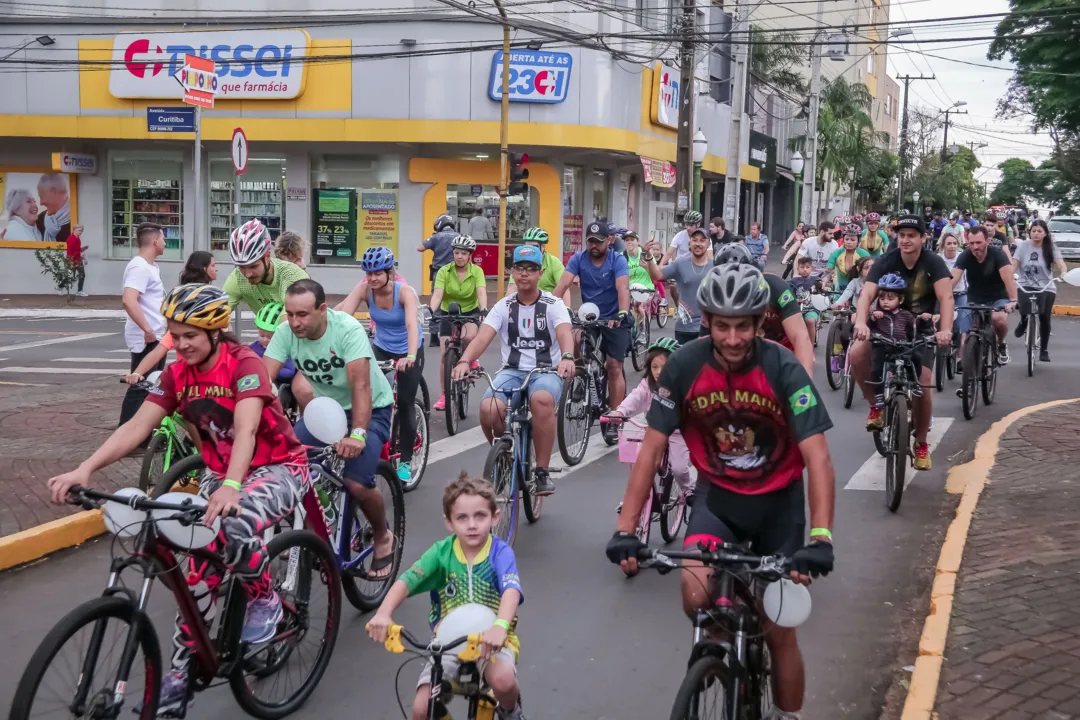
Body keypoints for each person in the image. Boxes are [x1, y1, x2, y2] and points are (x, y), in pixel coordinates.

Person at [49, 283, 309, 714]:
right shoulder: (176, 374)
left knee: (237, 523)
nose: (181, 343)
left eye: (190, 335)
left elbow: (245, 430)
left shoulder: (244, 364)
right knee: (194, 580)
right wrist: (85, 469)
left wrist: (232, 485)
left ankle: (264, 598)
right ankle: (180, 674)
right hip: (220, 474)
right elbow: (136, 428)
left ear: (214, 332)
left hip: (277, 467)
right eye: (175, 334)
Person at [605, 262, 836, 720]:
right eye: (723, 326)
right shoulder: (685, 366)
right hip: (719, 500)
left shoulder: (784, 367)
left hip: (778, 506)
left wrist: (821, 538)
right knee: (695, 596)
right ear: (706, 321)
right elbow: (651, 451)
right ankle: (719, 656)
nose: (733, 339)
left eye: (744, 327)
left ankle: (788, 714)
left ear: (760, 322)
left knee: (778, 626)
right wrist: (626, 529)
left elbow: (818, 458)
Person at [262, 279, 398, 576]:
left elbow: (361, 386)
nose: (295, 322)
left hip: (370, 409)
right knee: (290, 466)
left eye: (303, 315)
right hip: (326, 412)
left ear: (322, 309)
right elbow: (262, 380)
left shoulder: (346, 330)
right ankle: (321, 526)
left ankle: (382, 535)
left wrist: (358, 434)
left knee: (357, 482)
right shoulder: (286, 332)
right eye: (290, 314)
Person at [367, 474, 525, 720]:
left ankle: (510, 711)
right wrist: (383, 614)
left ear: (495, 517)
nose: (471, 525)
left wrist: (500, 627)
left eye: (480, 516)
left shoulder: (499, 553)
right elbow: (406, 582)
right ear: (449, 523)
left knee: (504, 683)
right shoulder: (441, 554)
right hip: (447, 644)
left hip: (491, 641)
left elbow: (511, 592)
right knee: (421, 709)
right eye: (462, 518)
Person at [454, 245, 575, 497]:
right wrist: (465, 361)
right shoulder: (504, 306)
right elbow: (482, 338)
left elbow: (564, 332)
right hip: (512, 370)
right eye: (520, 268)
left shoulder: (553, 304)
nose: (524, 274)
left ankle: (541, 471)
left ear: (540, 273)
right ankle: (504, 455)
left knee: (541, 400)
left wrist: (566, 357)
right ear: (512, 271)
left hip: (546, 371)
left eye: (531, 269)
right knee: (488, 409)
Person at [853, 215, 953, 472]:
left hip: (919, 330)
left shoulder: (934, 262)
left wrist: (945, 330)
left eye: (912, 235)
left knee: (924, 385)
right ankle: (875, 405)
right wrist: (862, 323)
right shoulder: (886, 260)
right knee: (856, 354)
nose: (906, 240)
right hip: (885, 325)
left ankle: (920, 443)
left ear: (923, 238)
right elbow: (867, 294)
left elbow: (946, 297)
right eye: (902, 235)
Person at [336, 247, 425, 483]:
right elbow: (344, 317)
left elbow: (412, 327)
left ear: (390, 271)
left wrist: (411, 357)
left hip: (409, 349)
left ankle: (405, 461)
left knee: (405, 403)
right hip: (381, 346)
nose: (372, 278)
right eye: (369, 273)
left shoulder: (404, 292)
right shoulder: (365, 288)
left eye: (377, 273)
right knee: (364, 390)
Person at [552, 220, 632, 412]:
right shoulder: (578, 259)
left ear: (609, 240)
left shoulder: (618, 260)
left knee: (614, 367)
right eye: (590, 241)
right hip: (589, 317)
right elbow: (562, 286)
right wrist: (552, 306)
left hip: (615, 318)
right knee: (575, 338)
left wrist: (622, 312)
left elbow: (623, 288)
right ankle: (580, 375)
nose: (594, 246)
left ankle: (615, 416)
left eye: (598, 241)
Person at [606, 337, 692, 506]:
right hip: (653, 432)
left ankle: (688, 490)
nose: (659, 371)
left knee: (679, 469)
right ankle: (635, 496)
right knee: (640, 464)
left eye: (664, 366)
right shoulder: (648, 385)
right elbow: (634, 398)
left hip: (677, 433)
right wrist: (619, 411)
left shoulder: (684, 385)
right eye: (654, 367)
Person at [715, 243, 816, 375]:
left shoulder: (776, 287)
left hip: (783, 345)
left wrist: (805, 382)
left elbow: (800, 336)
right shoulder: (713, 293)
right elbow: (706, 344)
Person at [430, 234, 488, 411]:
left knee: (471, 336)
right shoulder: (444, 271)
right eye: (456, 253)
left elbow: (481, 292)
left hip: (470, 312)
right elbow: (438, 294)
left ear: (469, 255)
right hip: (448, 313)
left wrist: (483, 309)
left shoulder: (476, 271)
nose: (459, 256)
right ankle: (444, 395)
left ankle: (470, 359)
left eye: (463, 253)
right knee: (444, 355)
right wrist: (432, 310)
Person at [118, 222, 167, 430]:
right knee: (139, 385)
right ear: (155, 241)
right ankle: (126, 434)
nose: (165, 242)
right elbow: (129, 300)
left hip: (155, 336)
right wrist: (147, 329)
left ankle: (142, 432)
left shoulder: (150, 266)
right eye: (164, 238)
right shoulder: (139, 266)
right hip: (147, 338)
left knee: (150, 385)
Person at [950, 225, 1018, 365]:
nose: (975, 247)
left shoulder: (998, 255)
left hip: (998, 297)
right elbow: (953, 278)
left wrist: (1013, 300)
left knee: (999, 319)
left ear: (987, 241)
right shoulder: (965, 256)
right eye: (972, 243)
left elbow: (1008, 278)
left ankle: (1001, 344)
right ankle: (968, 373)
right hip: (975, 298)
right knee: (966, 332)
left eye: (979, 242)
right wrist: (942, 296)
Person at [223, 219, 310, 314]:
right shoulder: (238, 277)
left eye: (253, 266)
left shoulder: (291, 274)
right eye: (242, 267)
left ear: (267, 256)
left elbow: (290, 320)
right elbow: (217, 312)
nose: (247, 274)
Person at [644, 227, 711, 345]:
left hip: (708, 328)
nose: (698, 244)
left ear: (708, 244)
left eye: (702, 240)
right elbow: (657, 276)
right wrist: (649, 256)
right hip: (685, 327)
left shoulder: (716, 266)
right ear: (690, 243)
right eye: (695, 240)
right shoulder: (680, 264)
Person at [1012, 218, 1065, 362]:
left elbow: (1061, 265)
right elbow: (1014, 264)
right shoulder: (1023, 246)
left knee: (1044, 317)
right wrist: (1010, 274)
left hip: (1046, 286)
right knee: (1023, 307)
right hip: (1025, 283)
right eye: (1033, 231)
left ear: (1045, 233)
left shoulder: (1051, 247)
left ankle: (1044, 350)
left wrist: (1063, 273)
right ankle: (1023, 321)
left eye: (1039, 231)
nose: (1035, 234)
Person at [866, 273, 921, 409]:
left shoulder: (905, 314)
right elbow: (868, 326)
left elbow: (914, 326)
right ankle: (878, 394)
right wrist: (873, 317)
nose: (885, 302)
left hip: (902, 345)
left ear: (901, 300)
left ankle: (915, 383)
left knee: (916, 358)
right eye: (882, 298)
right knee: (876, 365)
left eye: (890, 299)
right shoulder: (879, 314)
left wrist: (923, 319)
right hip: (882, 344)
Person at [507, 226, 569, 302]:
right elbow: (512, 288)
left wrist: (567, 310)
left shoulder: (554, 262)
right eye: (528, 246)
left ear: (543, 247)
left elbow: (564, 288)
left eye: (534, 247)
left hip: (548, 305)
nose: (531, 250)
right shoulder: (520, 262)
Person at [660, 210, 707, 310]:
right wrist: (660, 266)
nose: (688, 228)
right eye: (686, 224)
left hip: (696, 266)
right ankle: (679, 308)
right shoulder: (680, 235)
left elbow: (709, 256)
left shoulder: (704, 237)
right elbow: (669, 253)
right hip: (680, 266)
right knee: (673, 288)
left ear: (698, 224)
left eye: (691, 225)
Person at [939, 234, 970, 366]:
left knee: (962, 326)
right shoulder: (938, 259)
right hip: (942, 295)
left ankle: (959, 357)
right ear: (943, 245)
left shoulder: (962, 257)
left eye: (954, 243)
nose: (952, 246)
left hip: (961, 294)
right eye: (949, 243)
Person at [249, 302, 297, 383]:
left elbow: (289, 372)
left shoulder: (285, 350)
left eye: (270, 337)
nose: (265, 340)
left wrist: (263, 368)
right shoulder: (254, 347)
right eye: (261, 335)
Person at [789, 257, 823, 346]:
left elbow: (821, 293)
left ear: (812, 268)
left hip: (811, 308)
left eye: (807, 267)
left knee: (810, 321)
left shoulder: (816, 280)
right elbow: (790, 295)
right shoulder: (793, 282)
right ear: (798, 269)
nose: (805, 270)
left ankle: (810, 347)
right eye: (802, 267)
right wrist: (796, 300)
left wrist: (822, 287)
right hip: (797, 309)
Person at [827, 224, 870, 290]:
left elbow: (870, 273)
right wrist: (825, 279)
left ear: (858, 241)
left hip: (859, 291)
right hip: (839, 291)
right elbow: (828, 271)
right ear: (843, 240)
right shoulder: (836, 253)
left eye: (852, 240)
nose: (848, 242)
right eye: (846, 239)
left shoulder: (864, 254)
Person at [36, 173, 72, 243]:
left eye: (41, 197)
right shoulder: (40, 220)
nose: (41, 203)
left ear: (53, 192)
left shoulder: (79, 217)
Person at [65, 225, 88, 296]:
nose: (80, 232)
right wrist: (71, 260)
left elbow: (77, 250)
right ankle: (60, 287)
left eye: (81, 231)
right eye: (79, 230)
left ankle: (80, 290)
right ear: (74, 230)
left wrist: (82, 250)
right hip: (73, 260)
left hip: (78, 259)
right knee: (70, 275)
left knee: (82, 274)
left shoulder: (77, 239)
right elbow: (70, 251)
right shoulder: (71, 239)